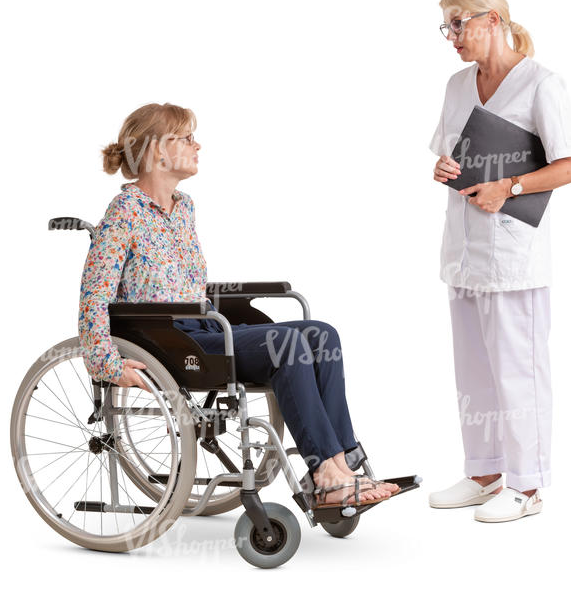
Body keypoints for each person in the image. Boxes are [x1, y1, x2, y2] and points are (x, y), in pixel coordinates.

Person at [78, 102, 399, 509]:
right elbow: (94, 294)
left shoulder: (184, 207)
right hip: (168, 340)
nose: (199, 145)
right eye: (188, 137)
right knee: (288, 345)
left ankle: (343, 463)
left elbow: (190, 284)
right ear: (158, 149)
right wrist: (105, 362)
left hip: (205, 329)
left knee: (320, 334)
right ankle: (325, 472)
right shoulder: (123, 213)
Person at [427, 0, 571, 522]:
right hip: (464, 249)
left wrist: (511, 187)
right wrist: (444, 168)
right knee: (472, 370)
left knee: (519, 369)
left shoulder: (541, 84)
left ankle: (528, 485)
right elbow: (447, 155)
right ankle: (484, 471)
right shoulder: (456, 85)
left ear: (491, 19)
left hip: (514, 253)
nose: (451, 36)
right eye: (445, 25)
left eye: (457, 23)